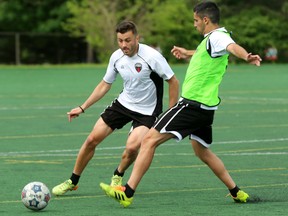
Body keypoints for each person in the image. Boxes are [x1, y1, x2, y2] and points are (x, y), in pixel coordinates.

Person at [100, 1, 262, 207]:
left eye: (195, 20)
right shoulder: (211, 41)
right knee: (202, 151)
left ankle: (128, 192)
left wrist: (246, 55)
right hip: (206, 108)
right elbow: (212, 52)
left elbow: (232, 47)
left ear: (205, 20)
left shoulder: (220, 37)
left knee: (149, 140)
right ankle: (236, 192)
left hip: (191, 105)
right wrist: (188, 53)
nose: (194, 24)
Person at [52, 21, 179, 196]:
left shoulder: (152, 56)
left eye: (127, 40)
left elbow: (173, 81)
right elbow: (105, 84)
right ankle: (73, 181)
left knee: (132, 148)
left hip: (147, 111)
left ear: (137, 38)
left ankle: (118, 174)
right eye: (120, 41)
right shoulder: (116, 57)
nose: (123, 45)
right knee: (91, 140)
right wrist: (82, 107)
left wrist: (170, 113)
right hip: (123, 104)